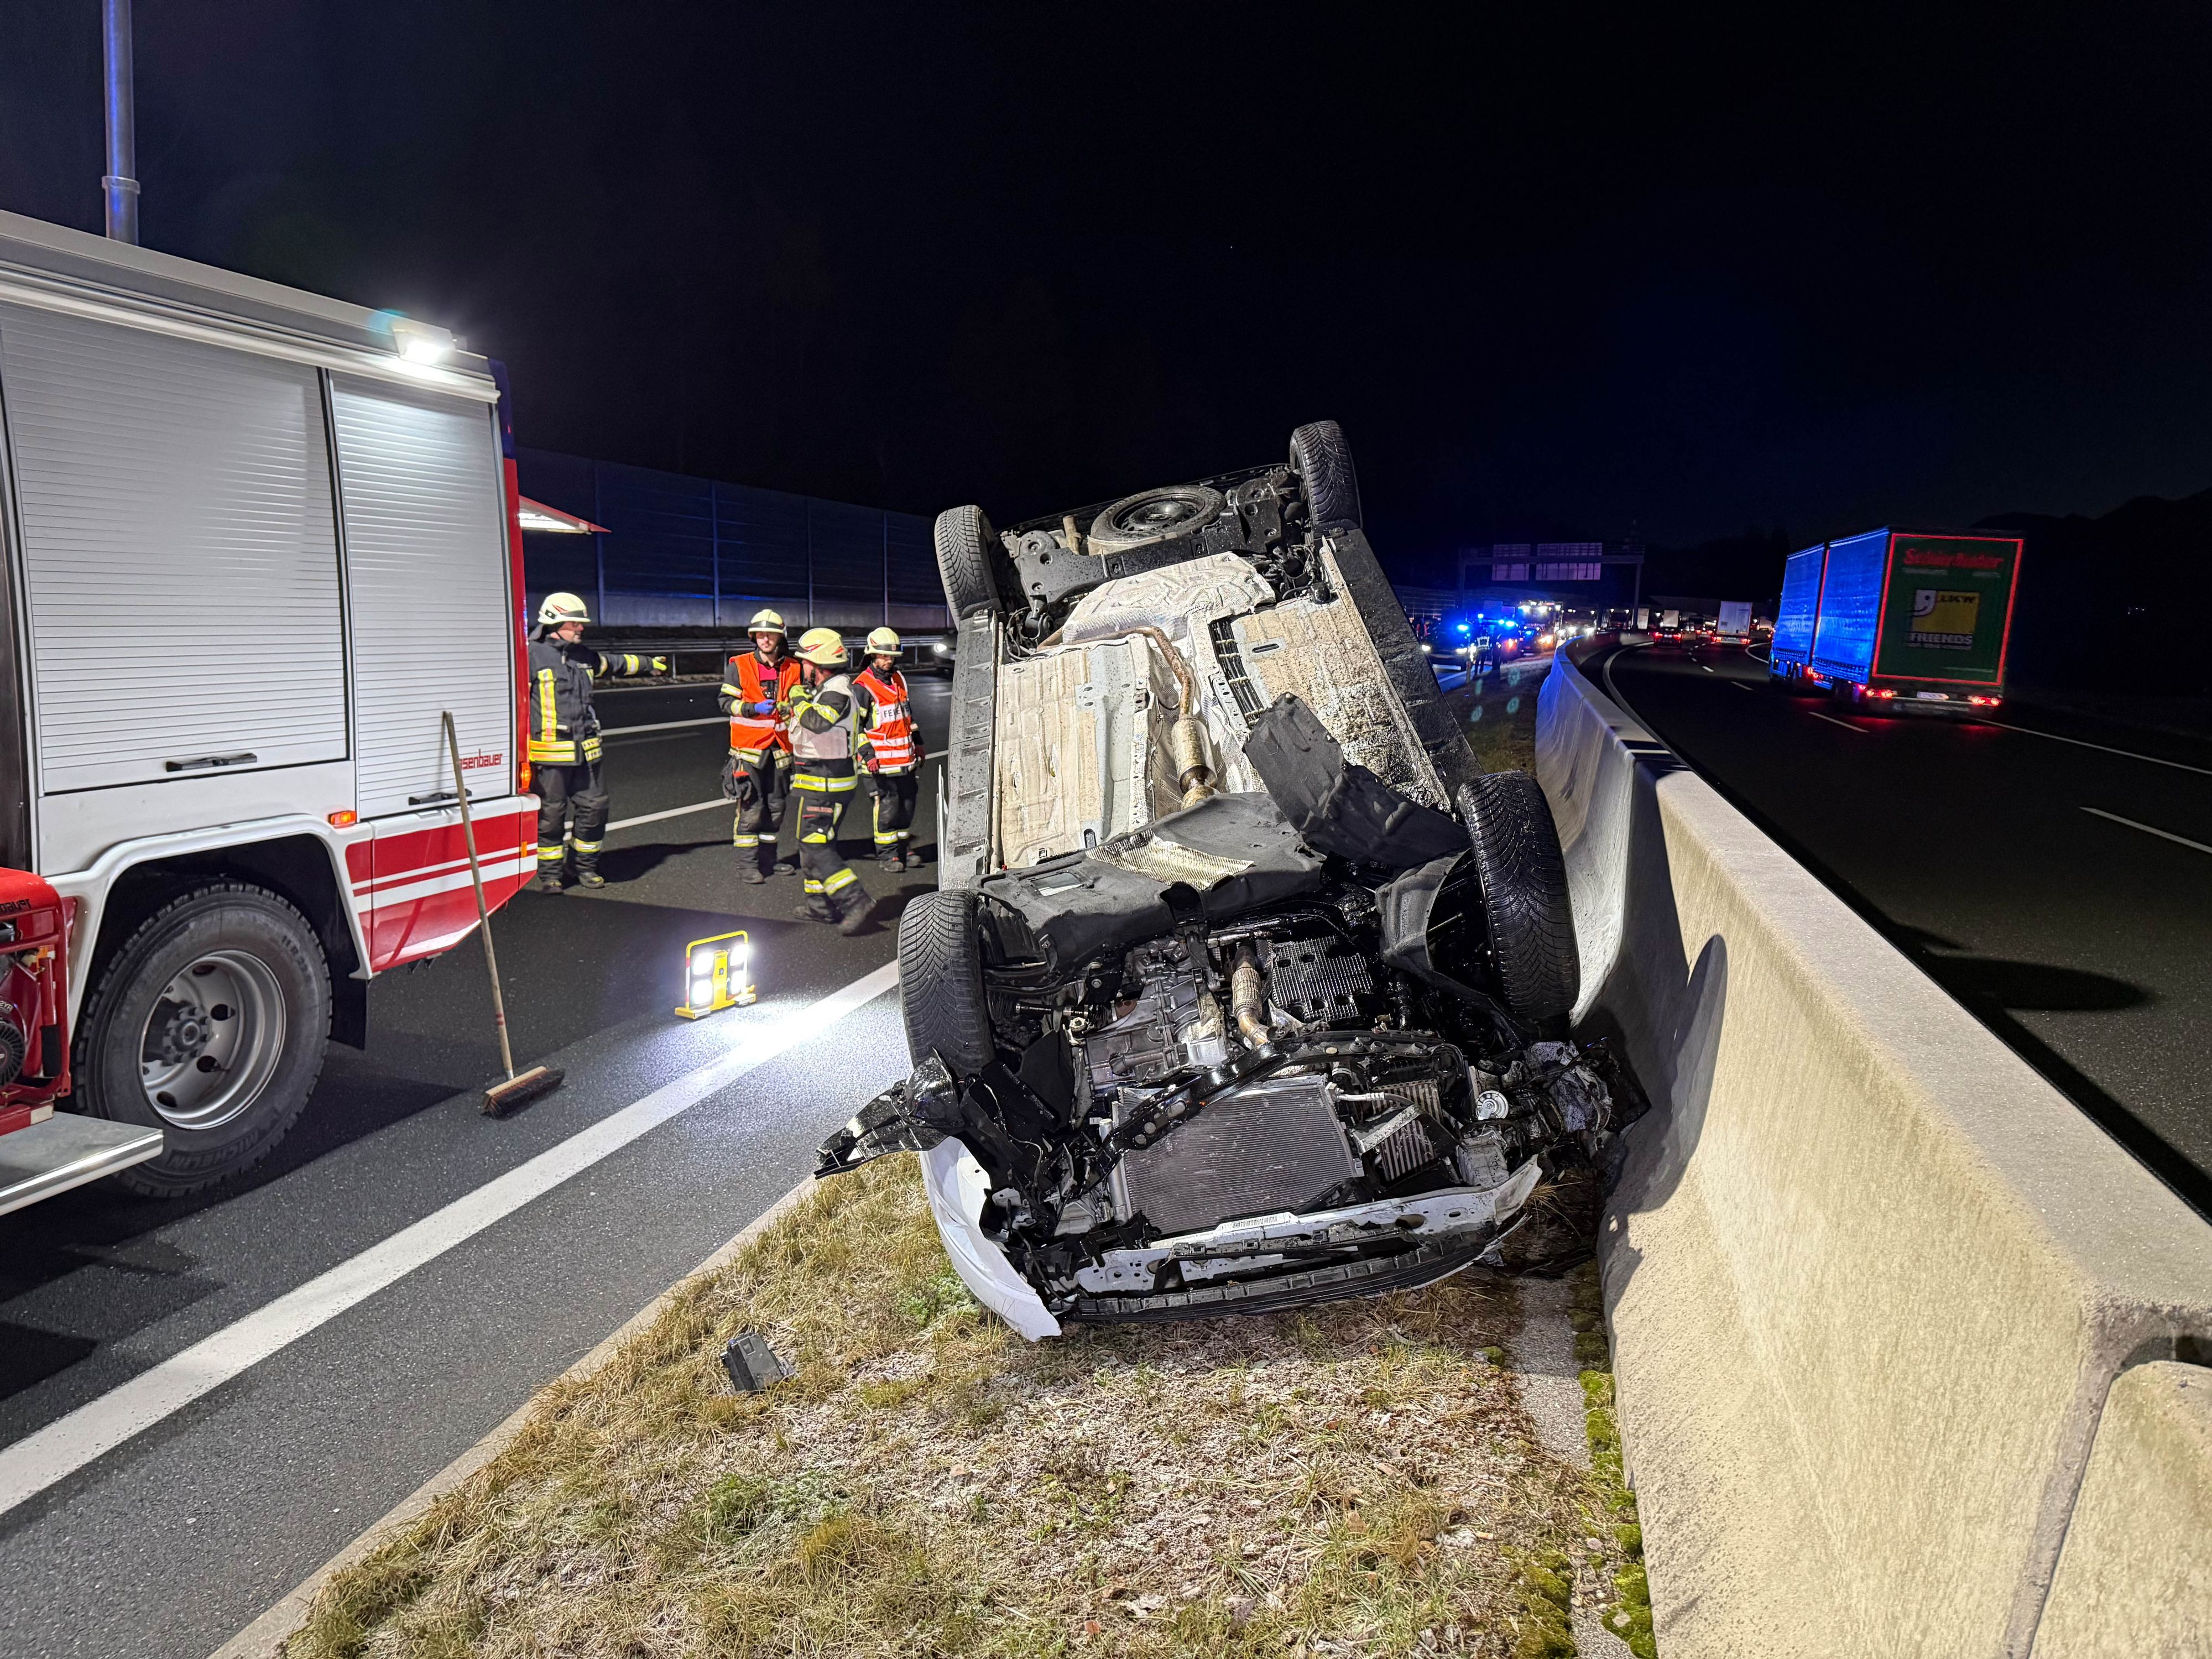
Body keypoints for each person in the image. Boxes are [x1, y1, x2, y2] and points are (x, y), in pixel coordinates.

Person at [526, 593, 664, 892]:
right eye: (575, 622)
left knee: (595, 810)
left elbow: (614, 663)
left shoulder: (583, 655)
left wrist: (648, 663)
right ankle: (550, 875)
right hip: (550, 757)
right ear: (555, 622)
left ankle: (583, 868)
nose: (581, 628)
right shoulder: (531, 655)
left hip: (587, 753)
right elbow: (516, 706)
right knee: (550, 818)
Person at [785, 628, 878, 933]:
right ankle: (820, 907)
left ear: (818, 663)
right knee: (811, 845)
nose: (802, 669)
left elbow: (817, 722)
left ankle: (855, 900)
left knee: (814, 846)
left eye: (805, 662)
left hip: (827, 785)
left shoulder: (837, 692)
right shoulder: (831, 690)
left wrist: (797, 698)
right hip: (819, 782)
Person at [718, 609, 801, 884]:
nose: (766, 639)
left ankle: (769, 861)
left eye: (771, 635)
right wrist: (753, 708)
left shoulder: (794, 667)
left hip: (780, 750)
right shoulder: (739, 665)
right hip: (748, 751)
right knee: (752, 809)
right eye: (761, 635)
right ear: (754, 637)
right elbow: (725, 703)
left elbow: (802, 702)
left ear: (780, 637)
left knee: (776, 808)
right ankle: (747, 866)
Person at [852, 627, 925, 872]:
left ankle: (903, 847)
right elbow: (855, 727)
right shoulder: (863, 687)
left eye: (892, 656)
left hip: (905, 760)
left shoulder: (899, 679)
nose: (889, 660)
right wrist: (868, 755)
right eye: (883, 656)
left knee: (907, 805)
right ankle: (887, 854)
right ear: (872, 655)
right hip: (880, 764)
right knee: (888, 807)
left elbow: (907, 716)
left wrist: (920, 743)